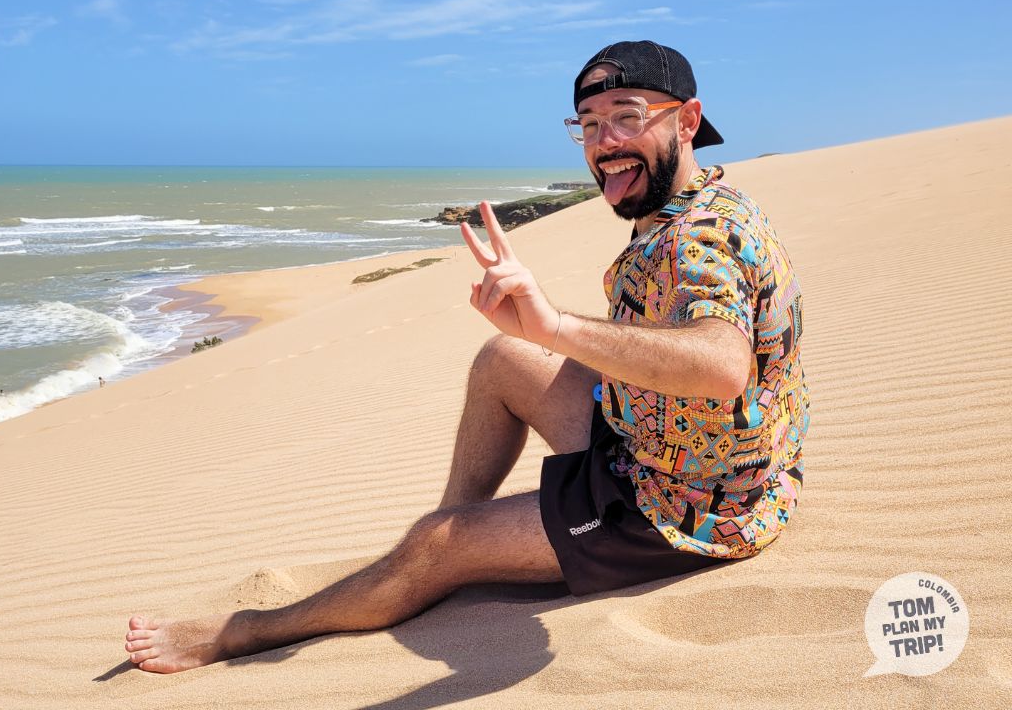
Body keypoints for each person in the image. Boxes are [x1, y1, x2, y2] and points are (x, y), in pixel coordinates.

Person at [123, 40, 810, 673]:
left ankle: (256, 628)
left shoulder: (697, 239)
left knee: (440, 540)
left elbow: (720, 365)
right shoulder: (697, 201)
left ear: (688, 120)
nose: (605, 143)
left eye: (626, 117)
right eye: (589, 124)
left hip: (686, 507)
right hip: (676, 444)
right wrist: (539, 338)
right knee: (502, 360)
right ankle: (441, 554)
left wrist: (556, 326)